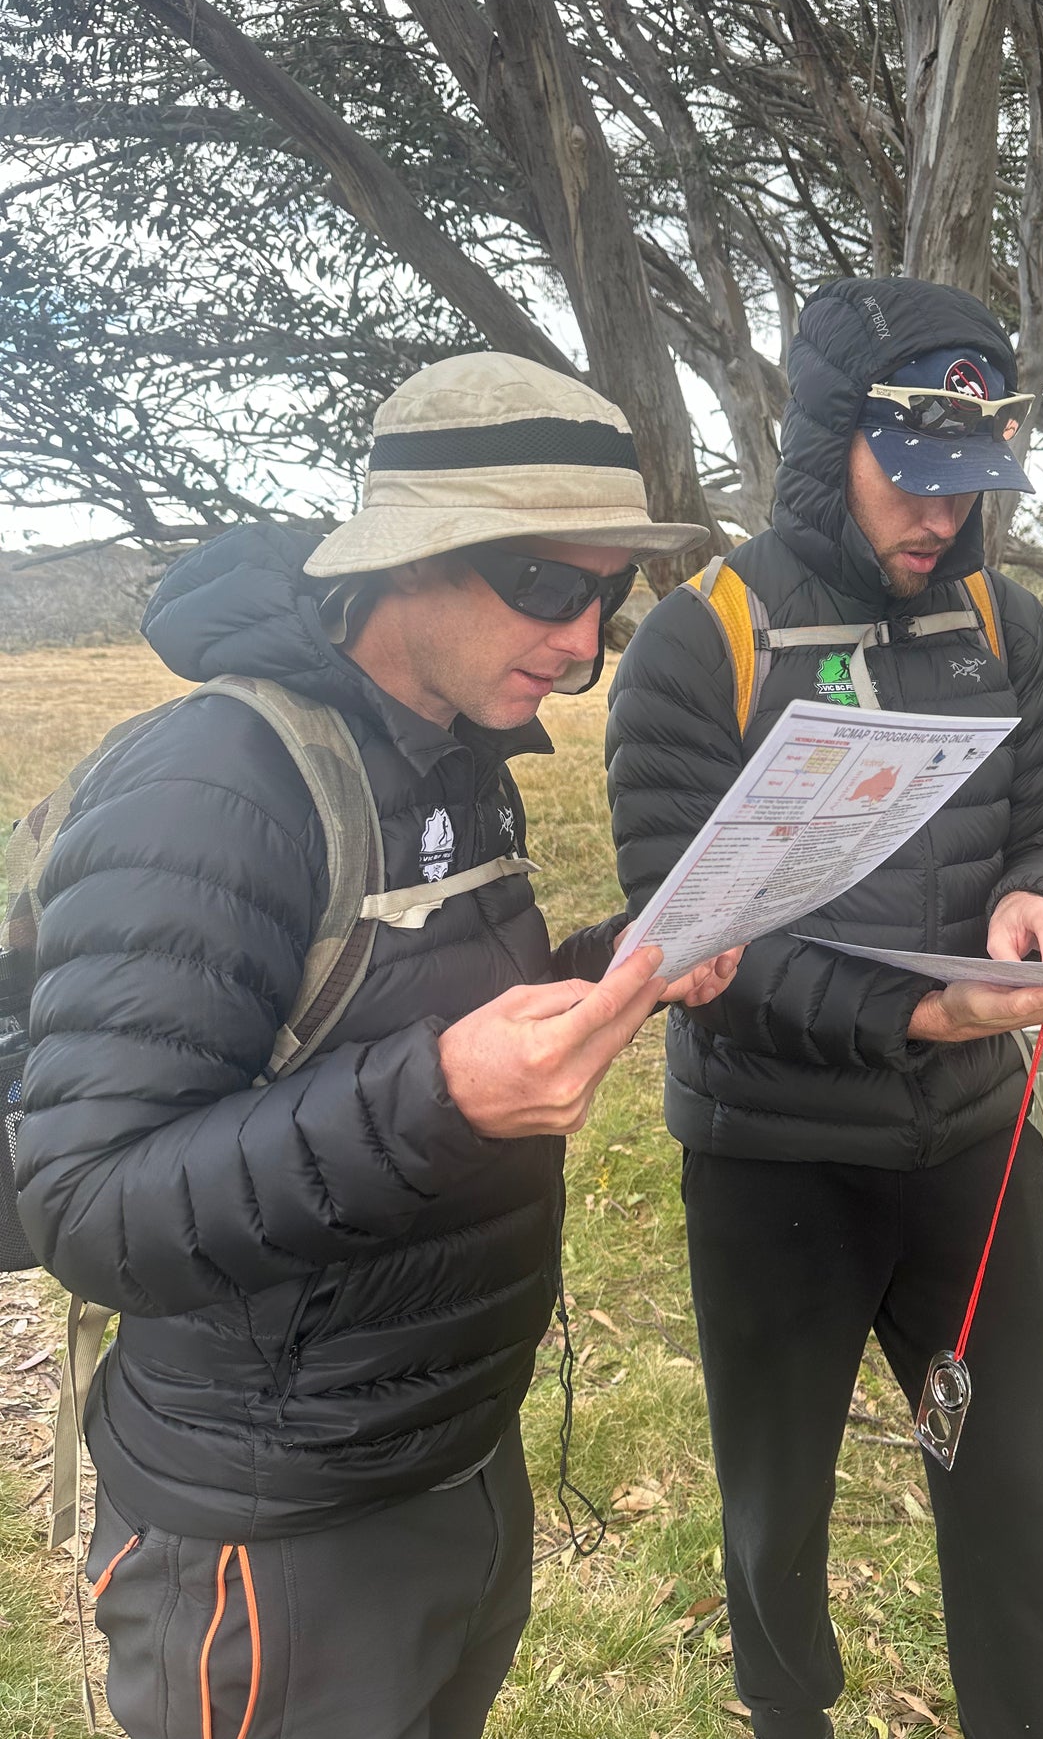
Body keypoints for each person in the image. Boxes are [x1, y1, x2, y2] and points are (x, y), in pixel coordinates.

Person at [17, 353, 738, 1739]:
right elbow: (89, 1207)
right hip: (272, 1523)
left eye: (609, 592)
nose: (584, 641)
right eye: (543, 584)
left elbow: (411, 1011)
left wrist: (620, 967)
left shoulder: (452, 748)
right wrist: (443, 1099)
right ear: (406, 561)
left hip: (448, 1451)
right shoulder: (211, 784)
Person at [607, 277, 1043, 1739]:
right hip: (772, 1150)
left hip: (973, 1140)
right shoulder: (696, 643)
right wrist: (913, 1017)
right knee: (774, 1503)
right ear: (827, 439)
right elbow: (692, 936)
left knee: (1017, 1484)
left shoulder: (1000, 621)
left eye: (971, 488)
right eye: (913, 480)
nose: (942, 521)